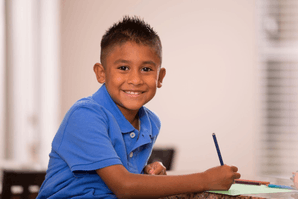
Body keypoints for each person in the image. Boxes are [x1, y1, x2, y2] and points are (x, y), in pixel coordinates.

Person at [37, 16, 240, 199]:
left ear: (160, 78)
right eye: (123, 68)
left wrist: (146, 173)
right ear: (101, 73)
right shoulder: (85, 115)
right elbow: (124, 186)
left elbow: (121, 176)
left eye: (146, 69)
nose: (135, 79)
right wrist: (204, 179)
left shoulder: (151, 124)